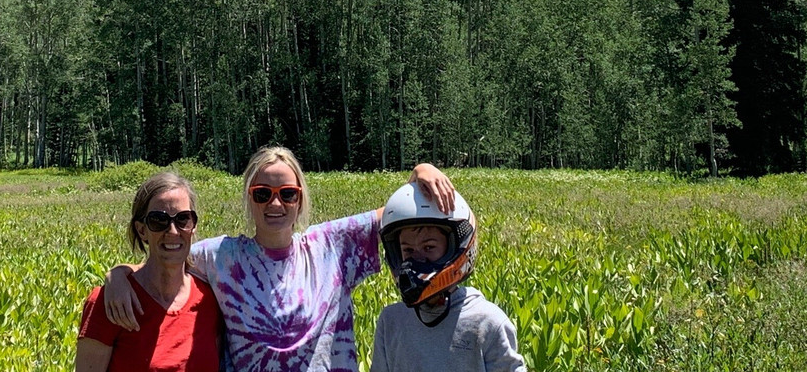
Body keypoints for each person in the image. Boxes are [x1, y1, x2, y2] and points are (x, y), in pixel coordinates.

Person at [103, 145, 456, 371]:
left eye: (287, 193)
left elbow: (400, 216)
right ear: (248, 198)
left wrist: (420, 171)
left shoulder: (332, 245)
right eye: (262, 194)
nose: (275, 204)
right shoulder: (222, 256)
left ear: (300, 199)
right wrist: (119, 274)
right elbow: (168, 255)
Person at [76, 171, 223, 372]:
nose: (172, 231)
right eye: (158, 220)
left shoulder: (209, 299)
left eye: (183, 219)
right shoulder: (110, 303)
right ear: (142, 230)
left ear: (193, 226)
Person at [370, 182, 525, 372]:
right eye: (408, 250)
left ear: (456, 247)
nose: (417, 259)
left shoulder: (487, 322)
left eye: (429, 248)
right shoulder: (391, 320)